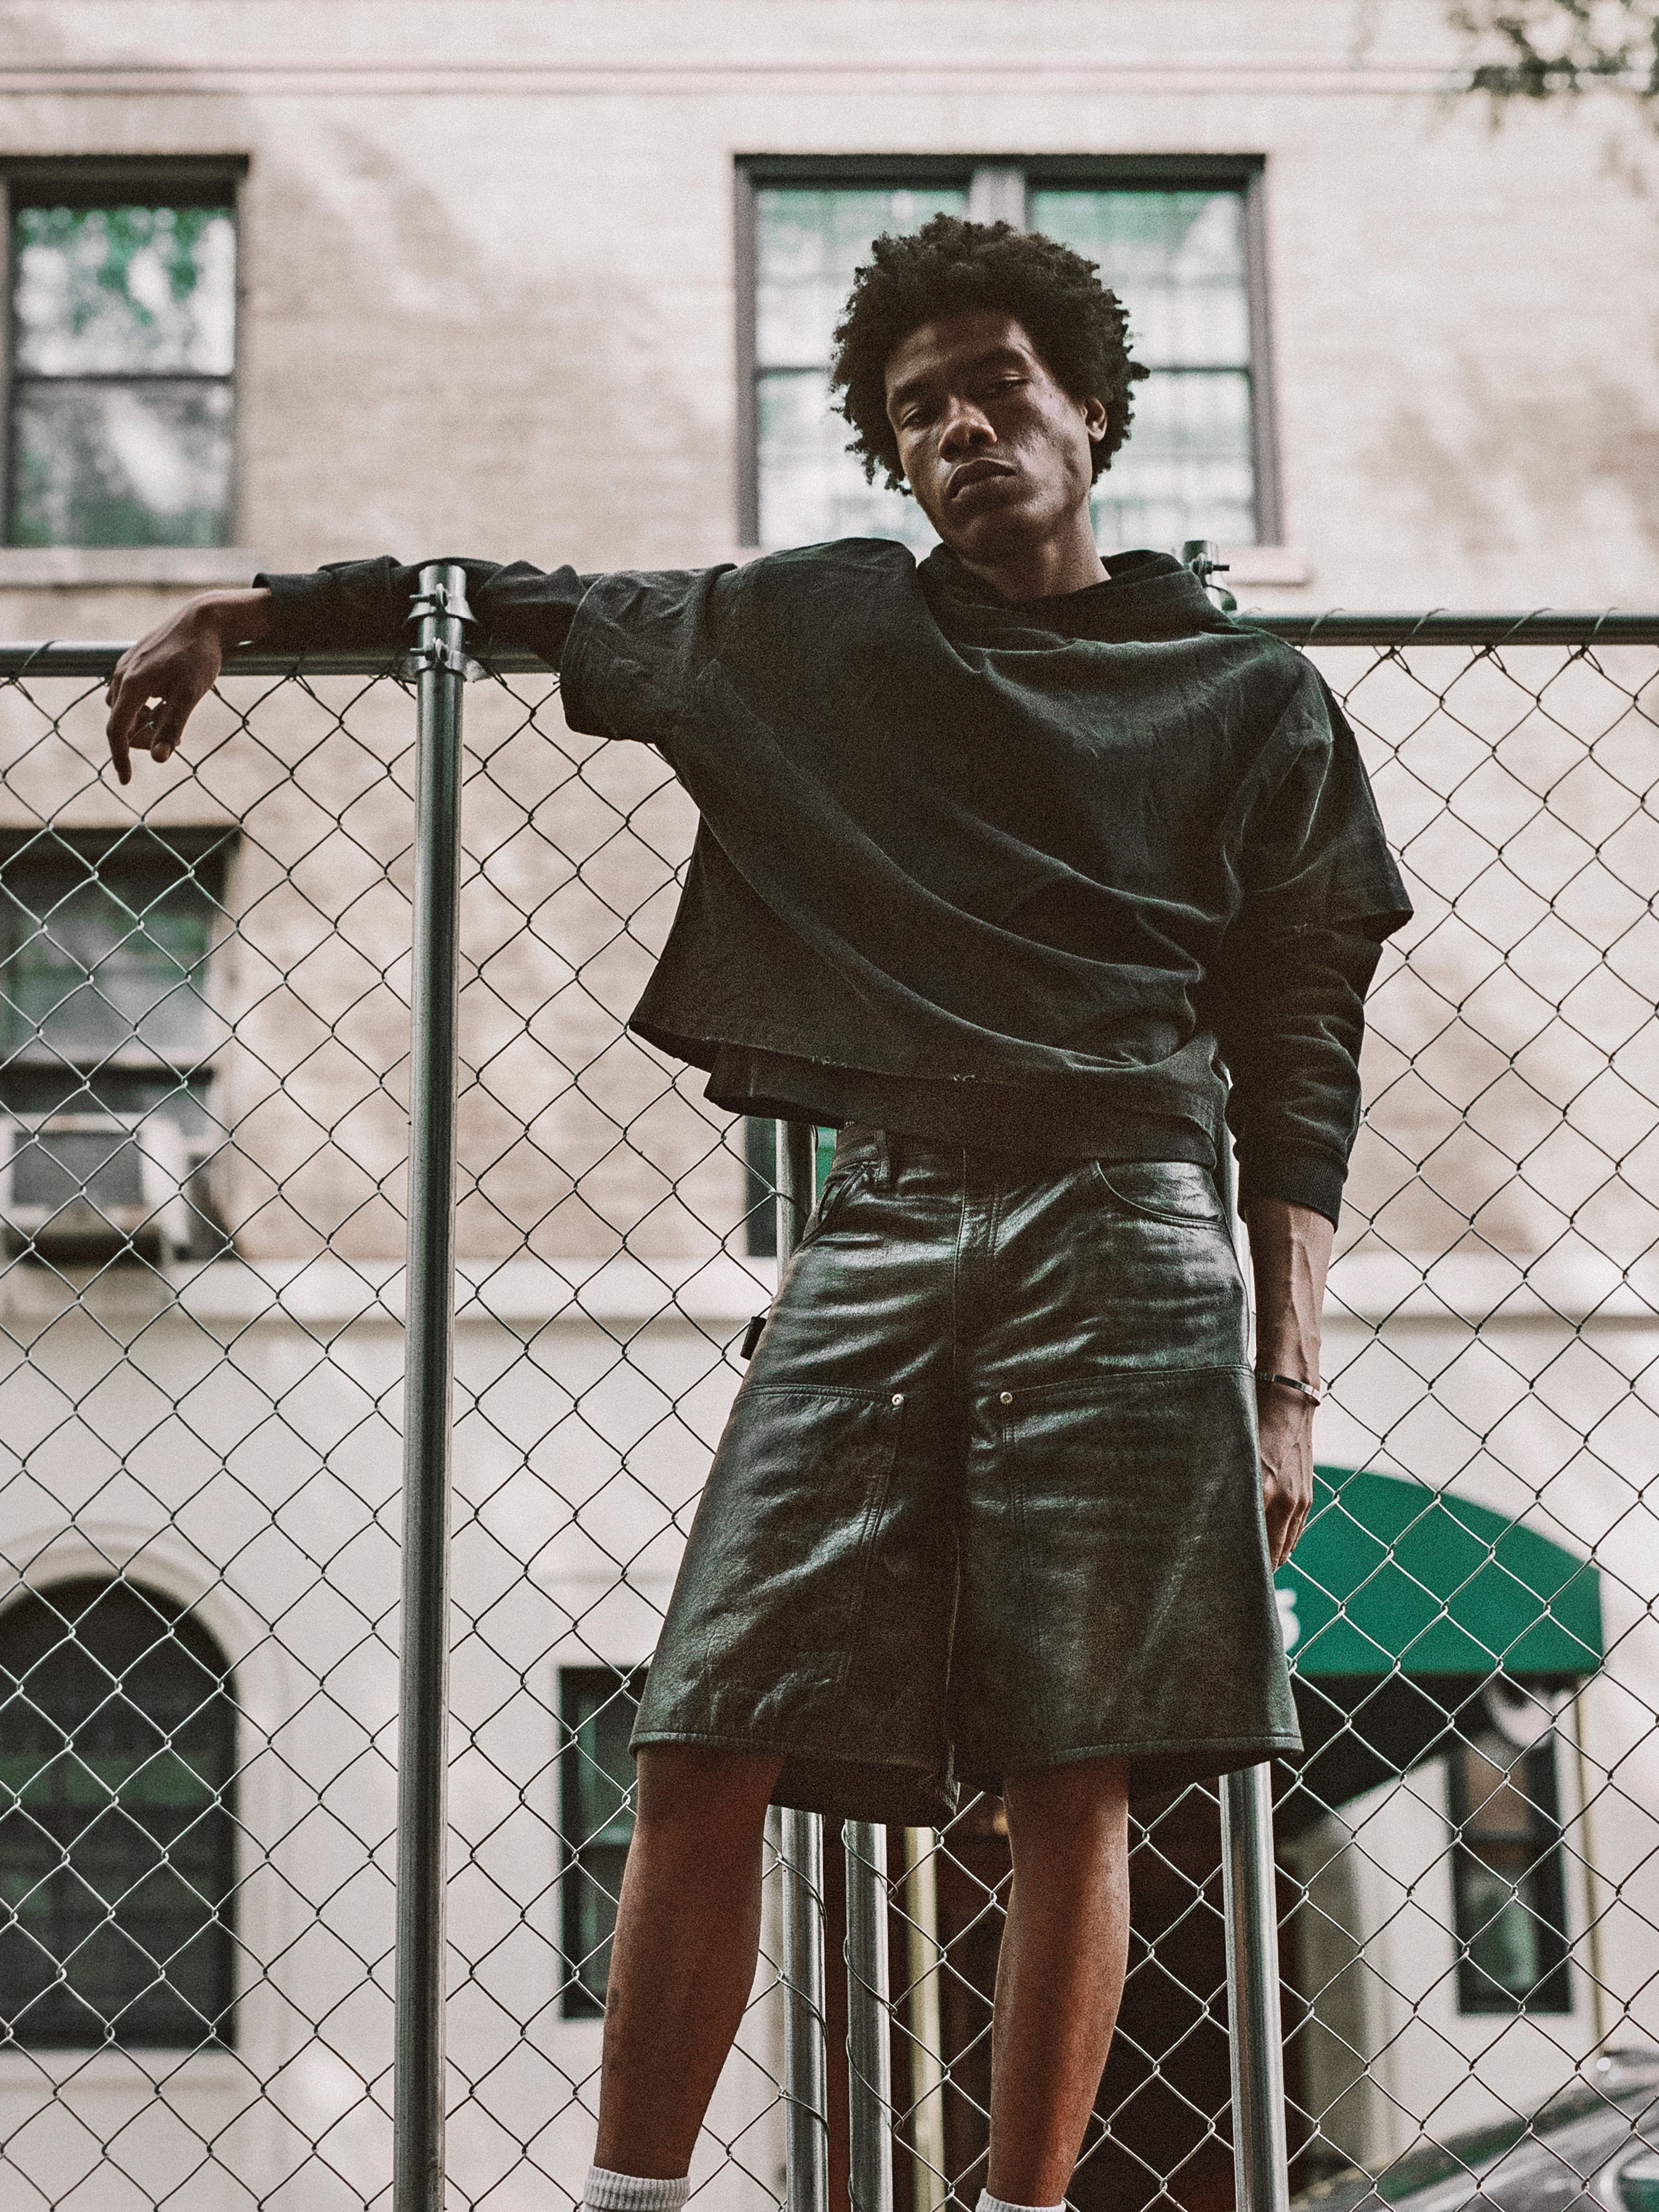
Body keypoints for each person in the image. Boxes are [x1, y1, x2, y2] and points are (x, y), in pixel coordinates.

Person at [105, 216, 1410, 2212]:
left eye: (996, 386)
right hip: (878, 1219)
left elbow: (1300, 1048)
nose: (963, 427)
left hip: (1136, 1224)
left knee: (1083, 1765)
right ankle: (636, 2196)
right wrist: (243, 608)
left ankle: (1022, 2203)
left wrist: (1288, 1383)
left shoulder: (1250, 695)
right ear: (892, 462)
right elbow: (526, 604)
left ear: (1090, 408)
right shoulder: (818, 633)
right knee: (706, 1713)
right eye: (918, 412)